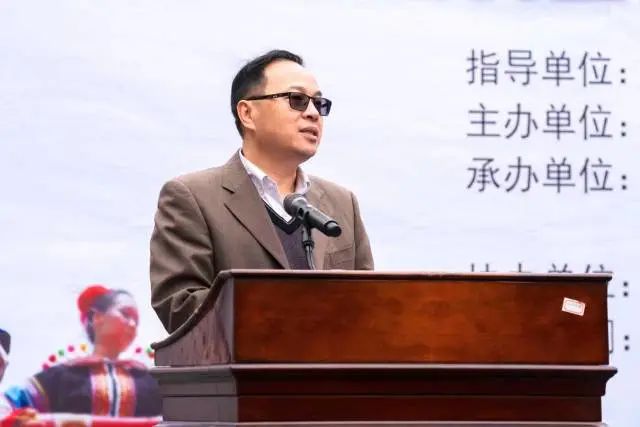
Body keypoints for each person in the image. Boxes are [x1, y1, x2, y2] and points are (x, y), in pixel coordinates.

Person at [150, 49, 374, 333]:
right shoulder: (193, 197)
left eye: (319, 104)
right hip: (243, 362)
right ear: (247, 113)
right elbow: (180, 305)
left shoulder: (342, 203)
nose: (313, 113)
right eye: (296, 100)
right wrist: (292, 315)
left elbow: (370, 302)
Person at [5, 285, 161, 417]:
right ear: (97, 317)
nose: (132, 324)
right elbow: (8, 405)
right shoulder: (62, 377)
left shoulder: (150, 381)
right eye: (125, 314)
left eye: (136, 320)